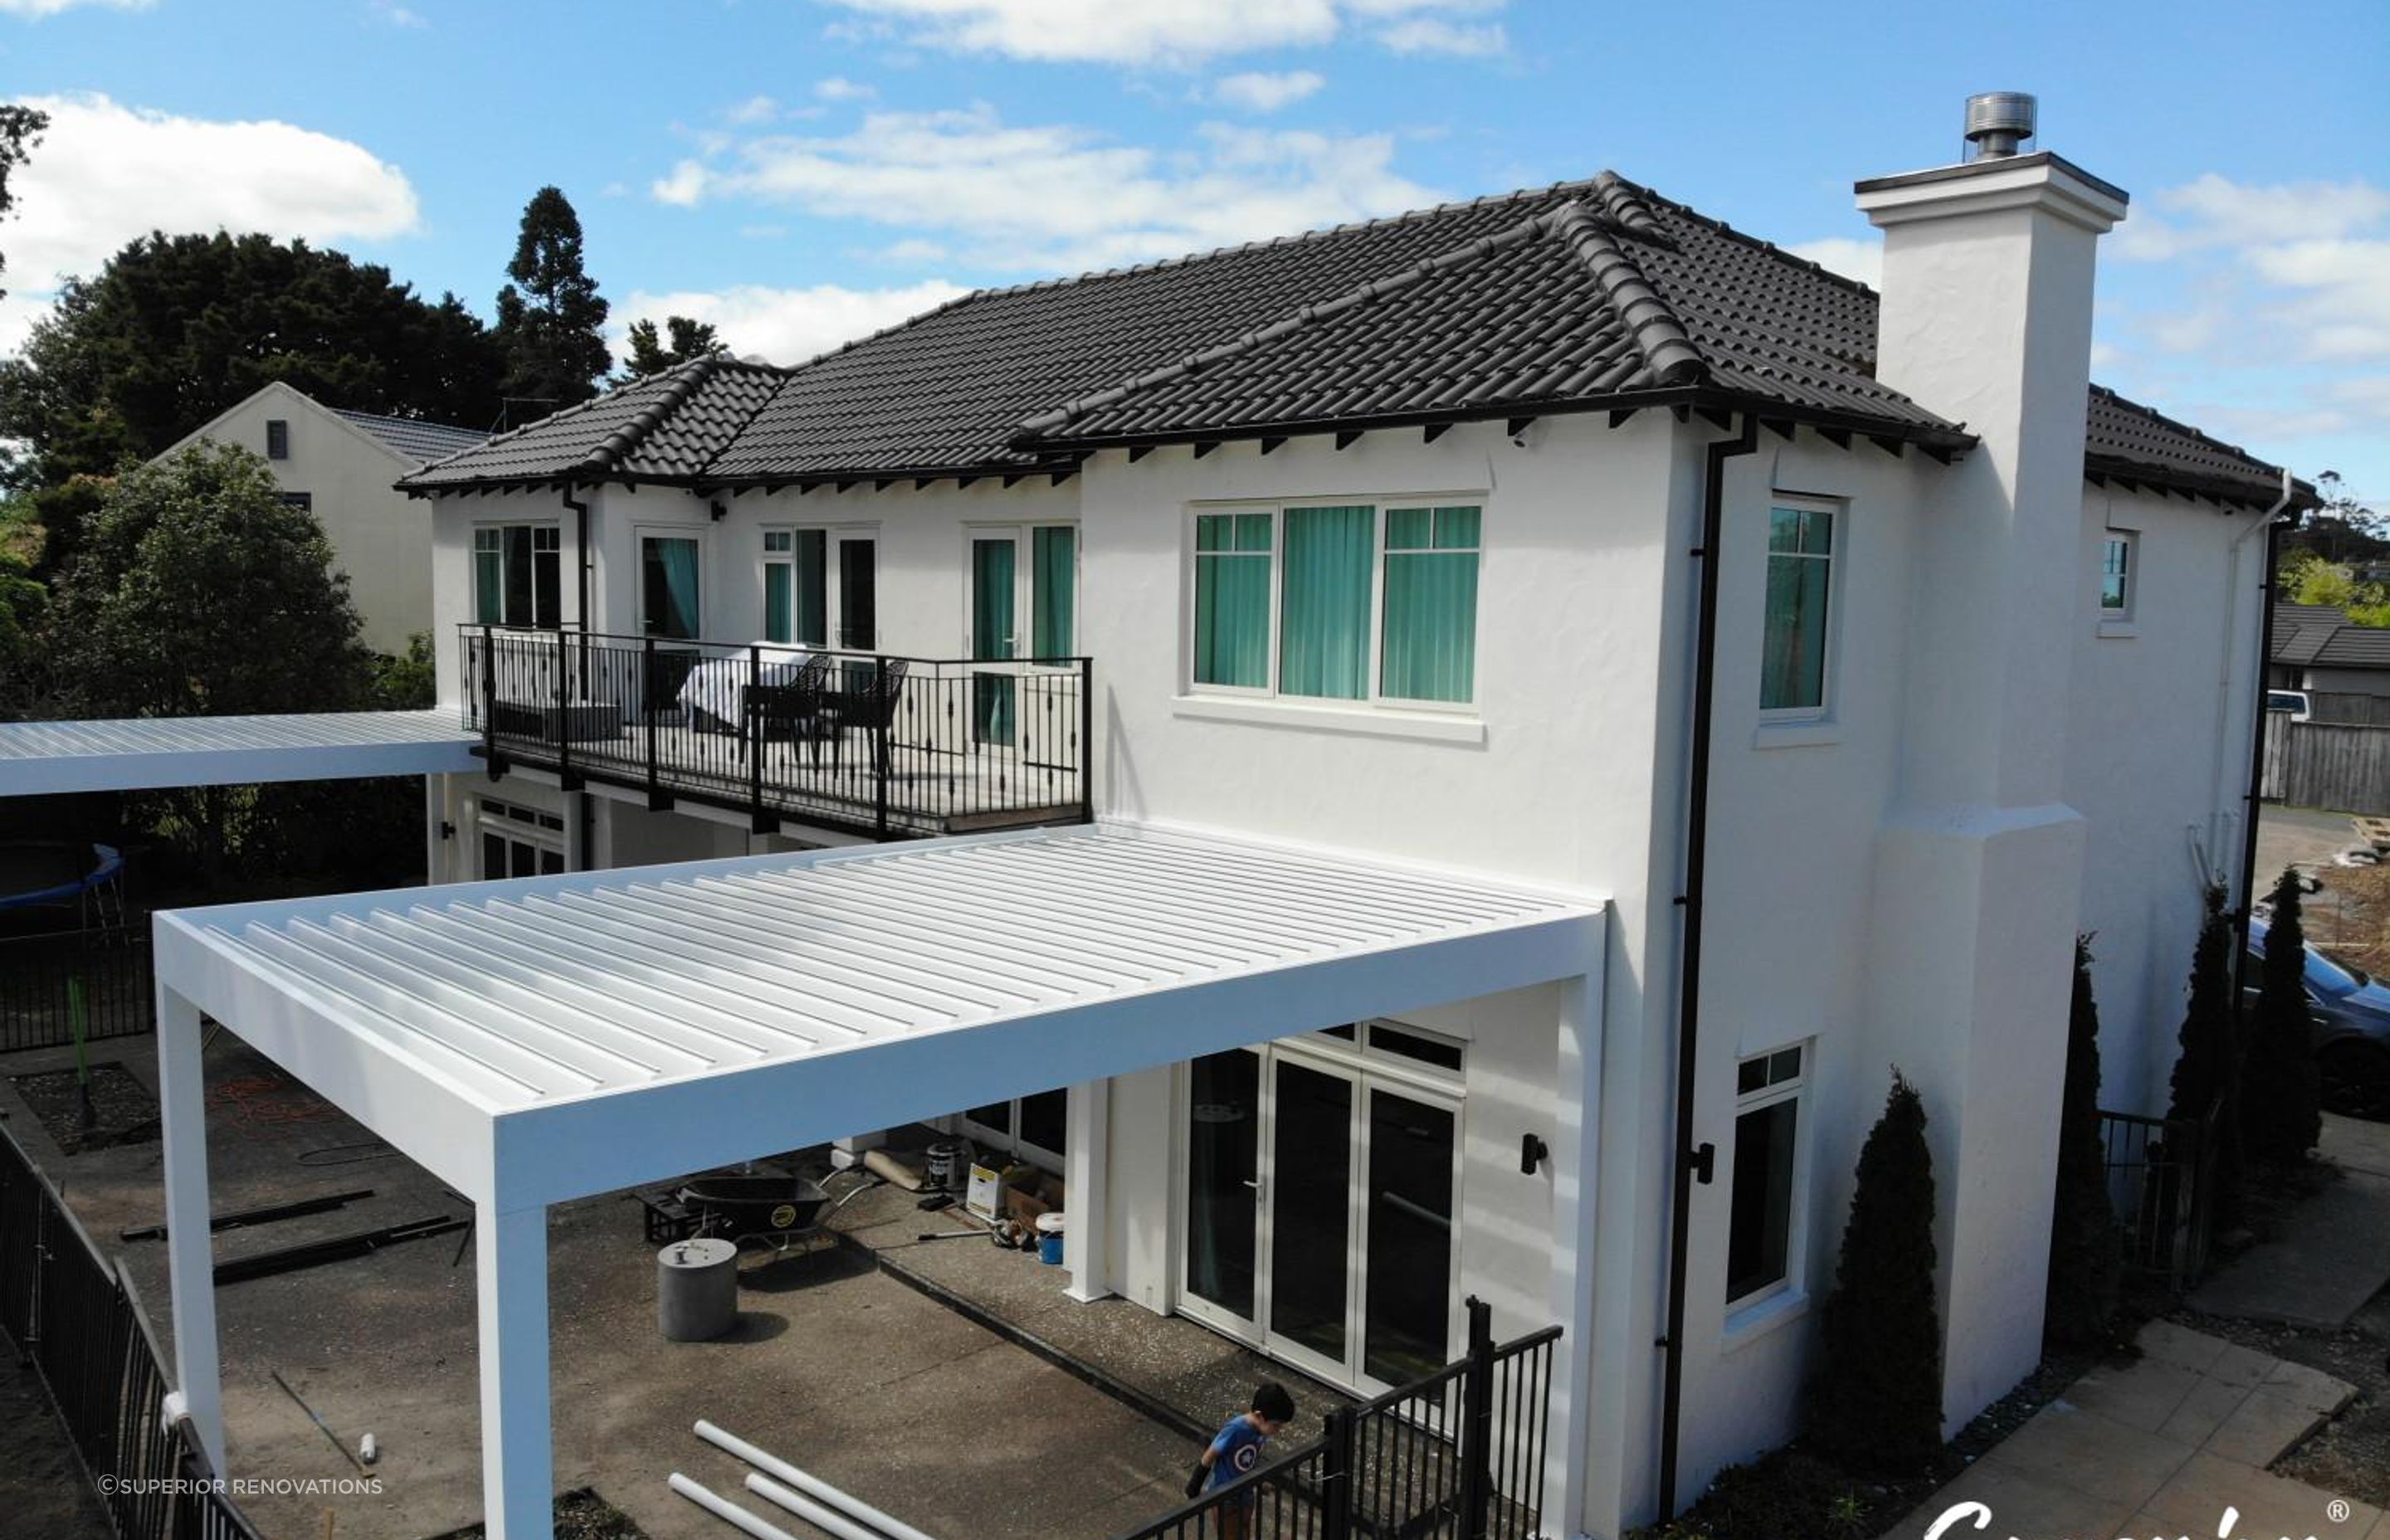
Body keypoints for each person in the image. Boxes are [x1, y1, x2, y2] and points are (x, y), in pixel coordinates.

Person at [1184, 1381, 1296, 1536]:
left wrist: (1259, 1483)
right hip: (1226, 1497)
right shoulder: (1236, 1429)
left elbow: (1248, 1460)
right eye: (1276, 1425)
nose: (1278, 1430)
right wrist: (1194, 1486)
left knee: (1243, 1532)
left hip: (1246, 1493)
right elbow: (1211, 1453)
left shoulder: (1260, 1431)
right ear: (1259, 1415)